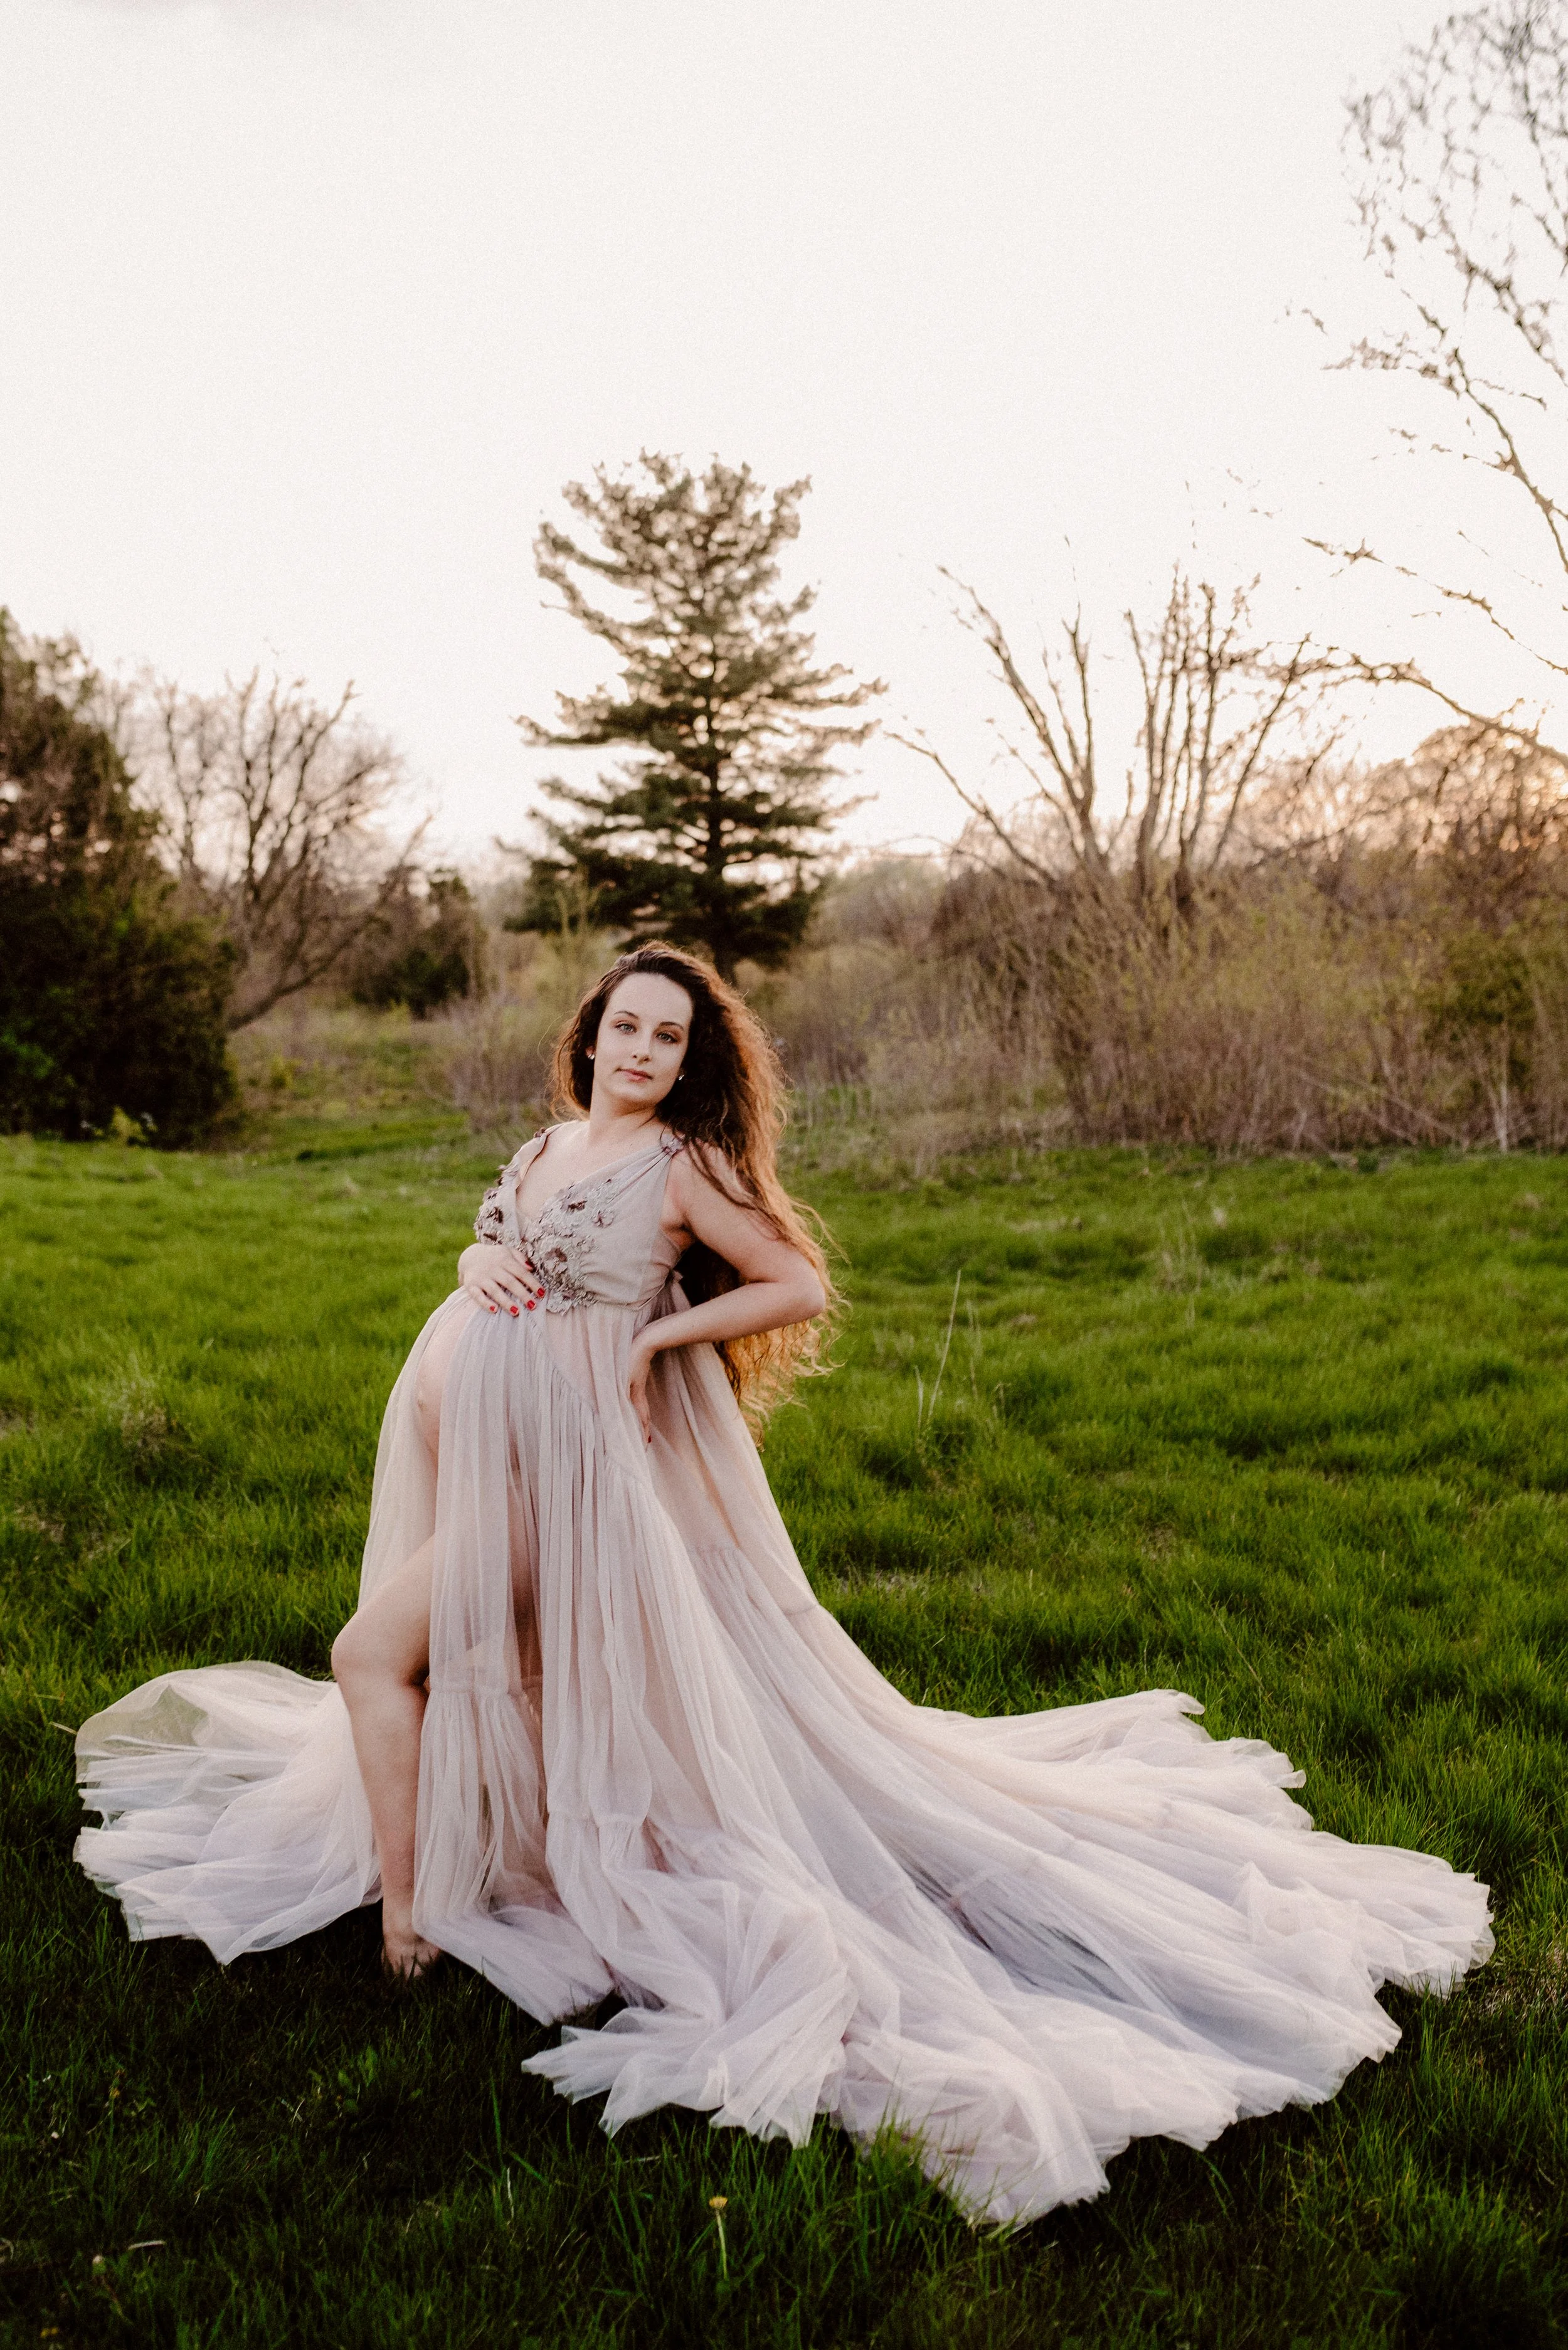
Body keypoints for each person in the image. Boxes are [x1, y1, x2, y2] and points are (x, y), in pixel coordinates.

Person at [75, 944, 1493, 2228]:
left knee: (370, 1655)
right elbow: (503, 1245)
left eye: (664, 1037)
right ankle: (482, 1858)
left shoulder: (681, 1165)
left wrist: (642, 1349)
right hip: (483, 1449)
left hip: (563, 1479)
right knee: (492, 1672)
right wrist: (473, 1251)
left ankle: (406, 1918)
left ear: (689, 1059)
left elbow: (796, 1279)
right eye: (621, 1027)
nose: (637, 1051)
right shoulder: (552, 1137)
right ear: (588, 1039)